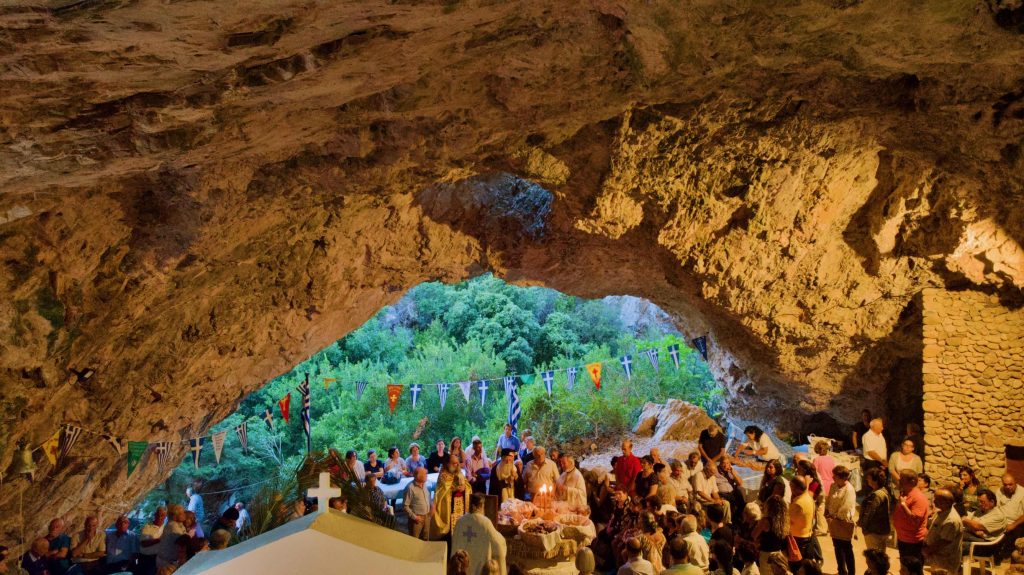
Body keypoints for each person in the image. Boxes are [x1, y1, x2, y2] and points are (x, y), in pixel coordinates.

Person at [452, 493, 507, 575]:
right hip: (479, 568)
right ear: (481, 506)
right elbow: (498, 543)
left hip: (462, 567)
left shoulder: (460, 521)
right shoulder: (485, 522)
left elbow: (454, 545)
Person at [892, 470, 929, 571]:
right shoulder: (905, 493)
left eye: (902, 479)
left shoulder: (918, 498)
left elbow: (915, 520)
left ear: (912, 481)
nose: (899, 481)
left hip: (913, 541)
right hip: (903, 538)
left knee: (913, 571)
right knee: (905, 569)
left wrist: (904, 505)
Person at [430, 454, 471, 541]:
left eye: (457, 463)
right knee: (450, 534)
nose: (456, 465)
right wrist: (454, 489)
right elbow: (440, 492)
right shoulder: (443, 475)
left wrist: (464, 488)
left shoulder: (460, 473)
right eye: (454, 463)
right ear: (448, 463)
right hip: (450, 506)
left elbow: (468, 486)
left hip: (461, 506)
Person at [825, 466, 856, 575]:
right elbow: (829, 499)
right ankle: (841, 570)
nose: (833, 477)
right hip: (833, 520)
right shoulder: (834, 486)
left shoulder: (849, 489)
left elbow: (846, 506)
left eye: (835, 475)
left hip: (843, 521)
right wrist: (827, 511)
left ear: (841, 477)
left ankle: (851, 572)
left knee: (847, 548)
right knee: (837, 547)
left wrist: (837, 517)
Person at [923, 488, 962, 574]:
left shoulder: (951, 520)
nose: (934, 501)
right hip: (937, 557)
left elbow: (944, 541)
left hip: (945, 560)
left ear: (947, 502)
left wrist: (927, 550)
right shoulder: (941, 512)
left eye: (937, 499)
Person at [787, 477, 820, 571]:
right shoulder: (809, 498)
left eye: (791, 487)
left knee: (796, 568)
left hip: (797, 540)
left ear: (795, 488)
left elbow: (788, 520)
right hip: (807, 537)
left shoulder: (798, 503)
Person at [858, 467, 892, 551]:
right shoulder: (884, 491)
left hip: (874, 531)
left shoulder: (877, 495)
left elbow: (869, 512)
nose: (867, 480)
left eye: (869, 478)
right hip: (881, 529)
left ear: (875, 480)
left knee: (874, 557)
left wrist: (864, 527)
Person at [754, 495, 788, 575]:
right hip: (779, 554)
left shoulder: (765, 521)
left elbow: (754, 535)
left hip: (766, 555)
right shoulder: (784, 521)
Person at [404, 467, 433, 540]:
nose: (427, 475)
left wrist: (432, 505)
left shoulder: (424, 484)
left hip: (427, 516)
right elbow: (405, 506)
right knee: (415, 540)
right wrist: (415, 517)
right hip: (416, 519)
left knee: (426, 538)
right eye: (425, 474)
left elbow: (427, 497)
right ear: (418, 476)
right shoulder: (410, 488)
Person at [157, 505, 187, 570]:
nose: (185, 515)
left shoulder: (180, 525)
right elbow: (185, 541)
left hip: (169, 561)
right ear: (174, 516)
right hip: (167, 564)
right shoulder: (173, 526)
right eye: (182, 513)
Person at [138, 506, 166, 575]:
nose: (160, 517)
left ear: (165, 516)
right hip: (144, 558)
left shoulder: (166, 529)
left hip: (158, 559)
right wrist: (159, 539)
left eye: (162, 515)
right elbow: (143, 543)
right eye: (158, 515)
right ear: (155, 515)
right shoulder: (147, 527)